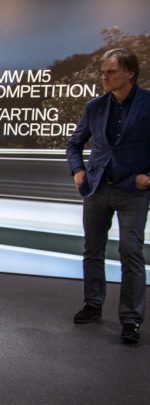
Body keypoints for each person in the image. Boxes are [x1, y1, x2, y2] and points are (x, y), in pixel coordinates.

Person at [65, 47, 150, 345]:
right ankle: (93, 304)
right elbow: (74, 144)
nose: (104, 76)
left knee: (131, 253)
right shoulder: (95, 107)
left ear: (129, 73)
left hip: (133, 193)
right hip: (98, 189)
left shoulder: (148, 103)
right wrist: (78, 171)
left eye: (111, 72)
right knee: (92, 250)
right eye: (102, 72)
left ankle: (130, 319)